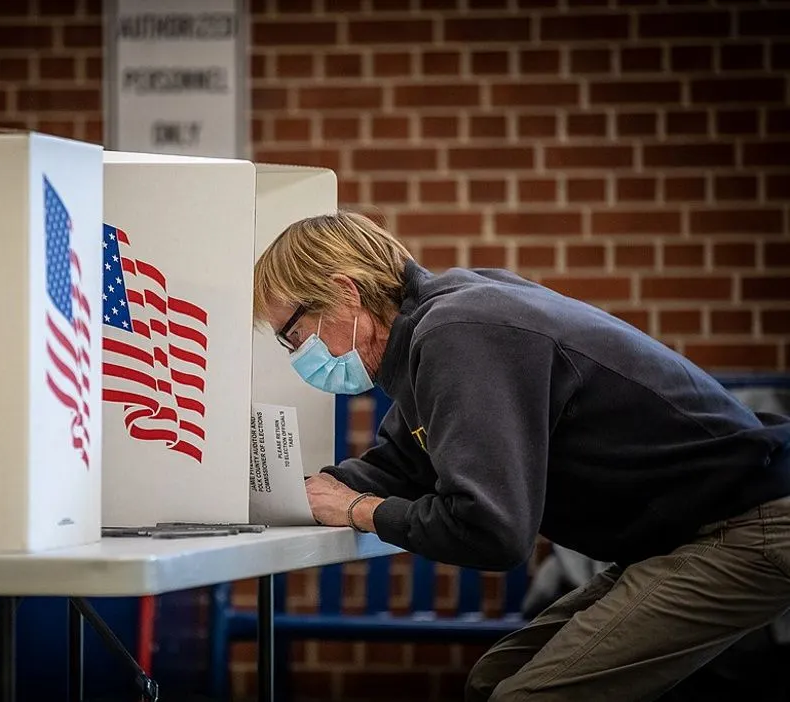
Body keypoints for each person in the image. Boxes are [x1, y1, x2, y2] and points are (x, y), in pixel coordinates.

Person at [253, 210, 790, 701]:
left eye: (295, 334)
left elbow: (492, 529)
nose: (301, 354)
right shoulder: (436, 325)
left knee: (525, 695)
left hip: (747, 523)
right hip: (684, 531)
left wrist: (355, 510)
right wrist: (285, 491)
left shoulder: (457, 334)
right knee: (491, 681)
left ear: (345, 292)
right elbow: (403, 464)